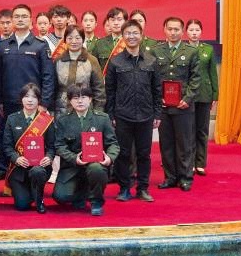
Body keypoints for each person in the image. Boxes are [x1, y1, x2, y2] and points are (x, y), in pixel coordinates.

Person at [104, 20, 162, 203]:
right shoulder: (115, 62)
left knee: (144, 154)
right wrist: (111, 115)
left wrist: (157, 114)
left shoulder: (151, 61)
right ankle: (124, 188)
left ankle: (143, 188)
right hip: (122, 116)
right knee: (123, 154)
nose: (131, 36)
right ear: (123, 36)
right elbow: (110, 91)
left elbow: (157, 90)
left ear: (141, 35)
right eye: (128, 33)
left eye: (135, 33)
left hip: (146, 115)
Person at [51, 83, 118, 216]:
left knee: (96, 169)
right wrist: (74, 158)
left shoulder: (102, 119)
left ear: (90, 99)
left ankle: (96, 202)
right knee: (60, 196)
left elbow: (113, 144)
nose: (80, 101)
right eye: (76, 98)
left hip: (95, 163)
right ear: (70, 101)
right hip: (72, 166)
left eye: (83, 97)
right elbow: (59, 145)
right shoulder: (63, 120)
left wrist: (109, 157)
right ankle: (82, 194)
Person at [152, 17, 202, 192]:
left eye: (176, 29)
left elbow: (196, 79)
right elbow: (153, 78)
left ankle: (185, 177)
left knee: (184, 144)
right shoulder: (156, 51)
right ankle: (170, 177)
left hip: (183, 106)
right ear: (164, 30)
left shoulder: (191, 52)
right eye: (170, 29)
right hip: (164, 106)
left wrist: (187, 99)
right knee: (166, 144)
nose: (173, 33)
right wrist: (158, 98)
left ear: (182, 31)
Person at [0, 83, 55, 213]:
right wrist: (16, 158)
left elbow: (52, 146)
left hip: (39, 167)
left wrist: (49, 157)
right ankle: (30, 192)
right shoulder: (12, 119)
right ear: (21, 99)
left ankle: (39, 199)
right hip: (19, 169)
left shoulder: (46, 120)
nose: (30, 100)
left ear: (39, 100)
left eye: (34, 97)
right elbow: (7, 146)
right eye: (26, 96)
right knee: (22, 205)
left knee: (37, 172)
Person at [0, 4, 55, 119]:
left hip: (33, 101)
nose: (20, 19)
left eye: (24, 16)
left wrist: (44, 103)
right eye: (17, 16)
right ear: (12, 20)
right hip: (9, 103)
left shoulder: (40, 45)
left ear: (30, 20)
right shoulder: (3, 45)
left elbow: (48, 76)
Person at [185, 18, 219, 177]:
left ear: (201, 32)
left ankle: (200, 163)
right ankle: (189, 162)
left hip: (204, 94)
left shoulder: (208, 49)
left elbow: (213, 73)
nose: (194, 33)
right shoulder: (183, 49)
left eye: (197, 30)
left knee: (202, 130)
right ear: (186, 32)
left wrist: (215, 94)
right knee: (189, 130)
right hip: (188, 95)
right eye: (191, 30)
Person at [54, 25, 105, 114]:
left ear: (83, 39)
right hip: (62, 109)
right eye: (70, 38)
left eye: (77, 38)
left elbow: (99, 89)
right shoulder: (58, 60)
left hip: (85, 108)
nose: (74, 41)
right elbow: (53, 87)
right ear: (65, 40)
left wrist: (98, 111)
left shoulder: (92, 60)